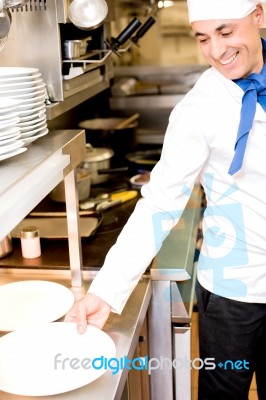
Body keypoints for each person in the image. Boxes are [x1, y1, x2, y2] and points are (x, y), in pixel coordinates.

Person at [65, 1, 266, 398]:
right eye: (203, 38)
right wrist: (106, 290)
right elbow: (160, 203)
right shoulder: (198, 109)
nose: (216, 50)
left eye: (226, 32)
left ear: (258, 15)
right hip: (233, 292)